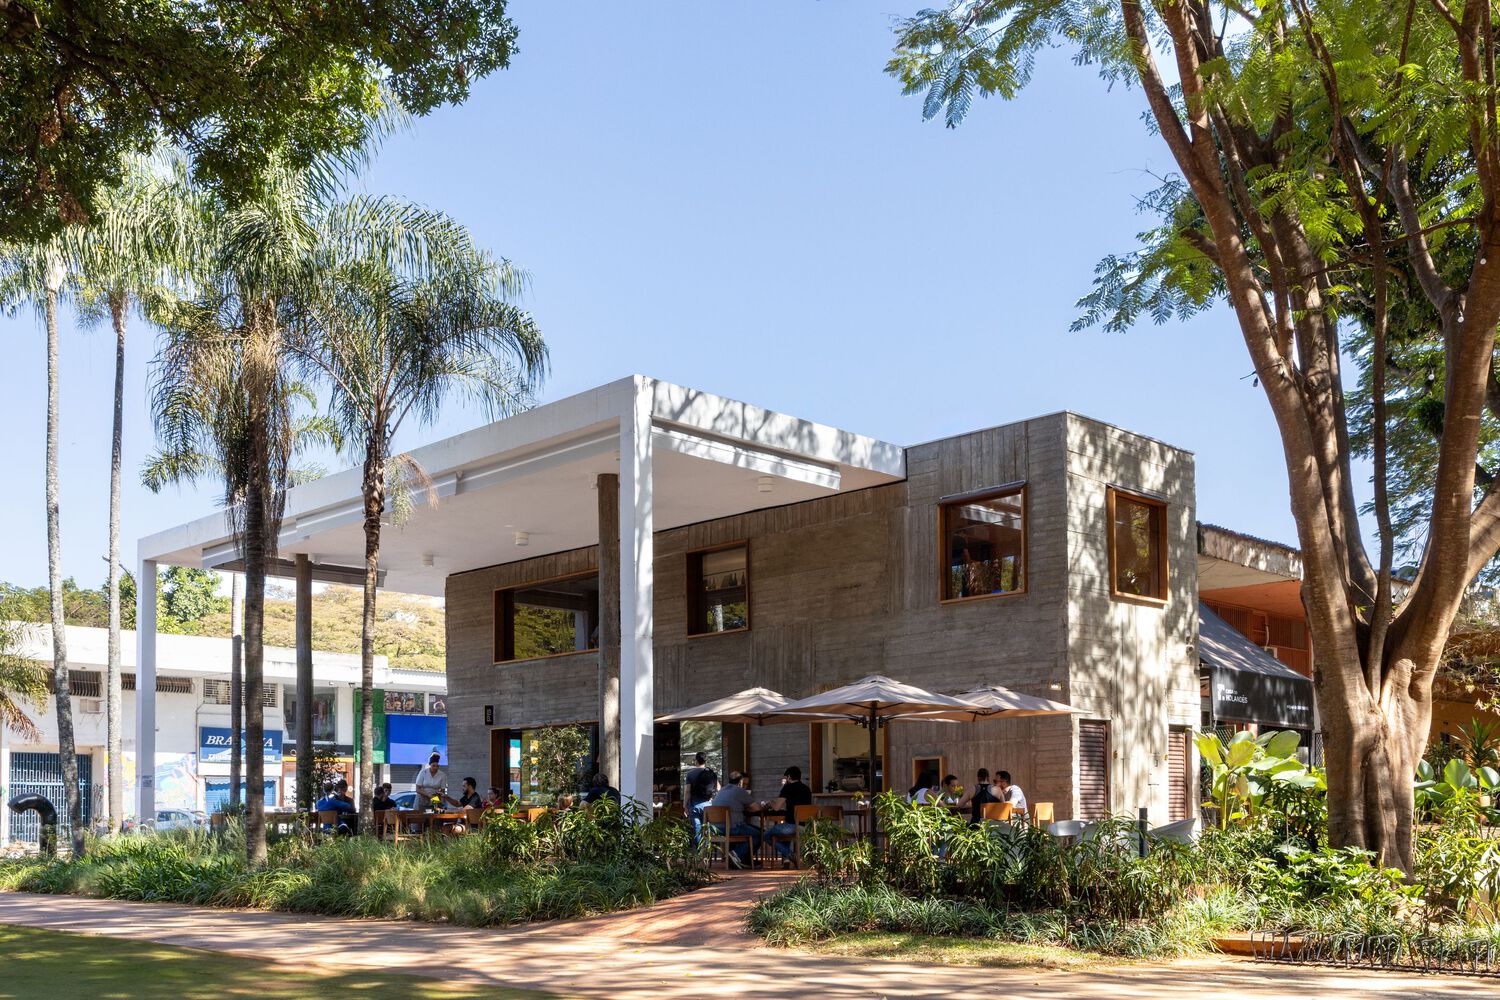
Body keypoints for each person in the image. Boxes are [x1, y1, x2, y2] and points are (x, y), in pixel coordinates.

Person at [708, 771, 763, 868]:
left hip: (716, 828)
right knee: (760, 834)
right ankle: (737, 854)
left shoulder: (722, 790)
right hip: (732, 827)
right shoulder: (739, 790)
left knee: (749, 830)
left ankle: (740, 860)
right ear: (740, 781)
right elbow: (757, 808)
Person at [762, 765, 813, 866]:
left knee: (766, 835)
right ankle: (786, 860)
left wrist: (770, 803)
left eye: (785, 778)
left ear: (789, 777)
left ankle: (789, 854)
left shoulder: (787, 788)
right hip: (805, 827)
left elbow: (776, 807)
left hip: (791, 827)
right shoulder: (807, 789)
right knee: (784, 830)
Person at [684, 752, 718, 845]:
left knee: (697, 828)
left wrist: (685, 805)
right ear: (705, 761)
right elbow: (718, 789)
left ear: (696, 761)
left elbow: (687, 791)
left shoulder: (690, 774)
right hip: (709, 805)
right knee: (708, 827)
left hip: (695, 805)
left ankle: (699, 851)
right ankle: (707, 849)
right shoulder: (711, 773)